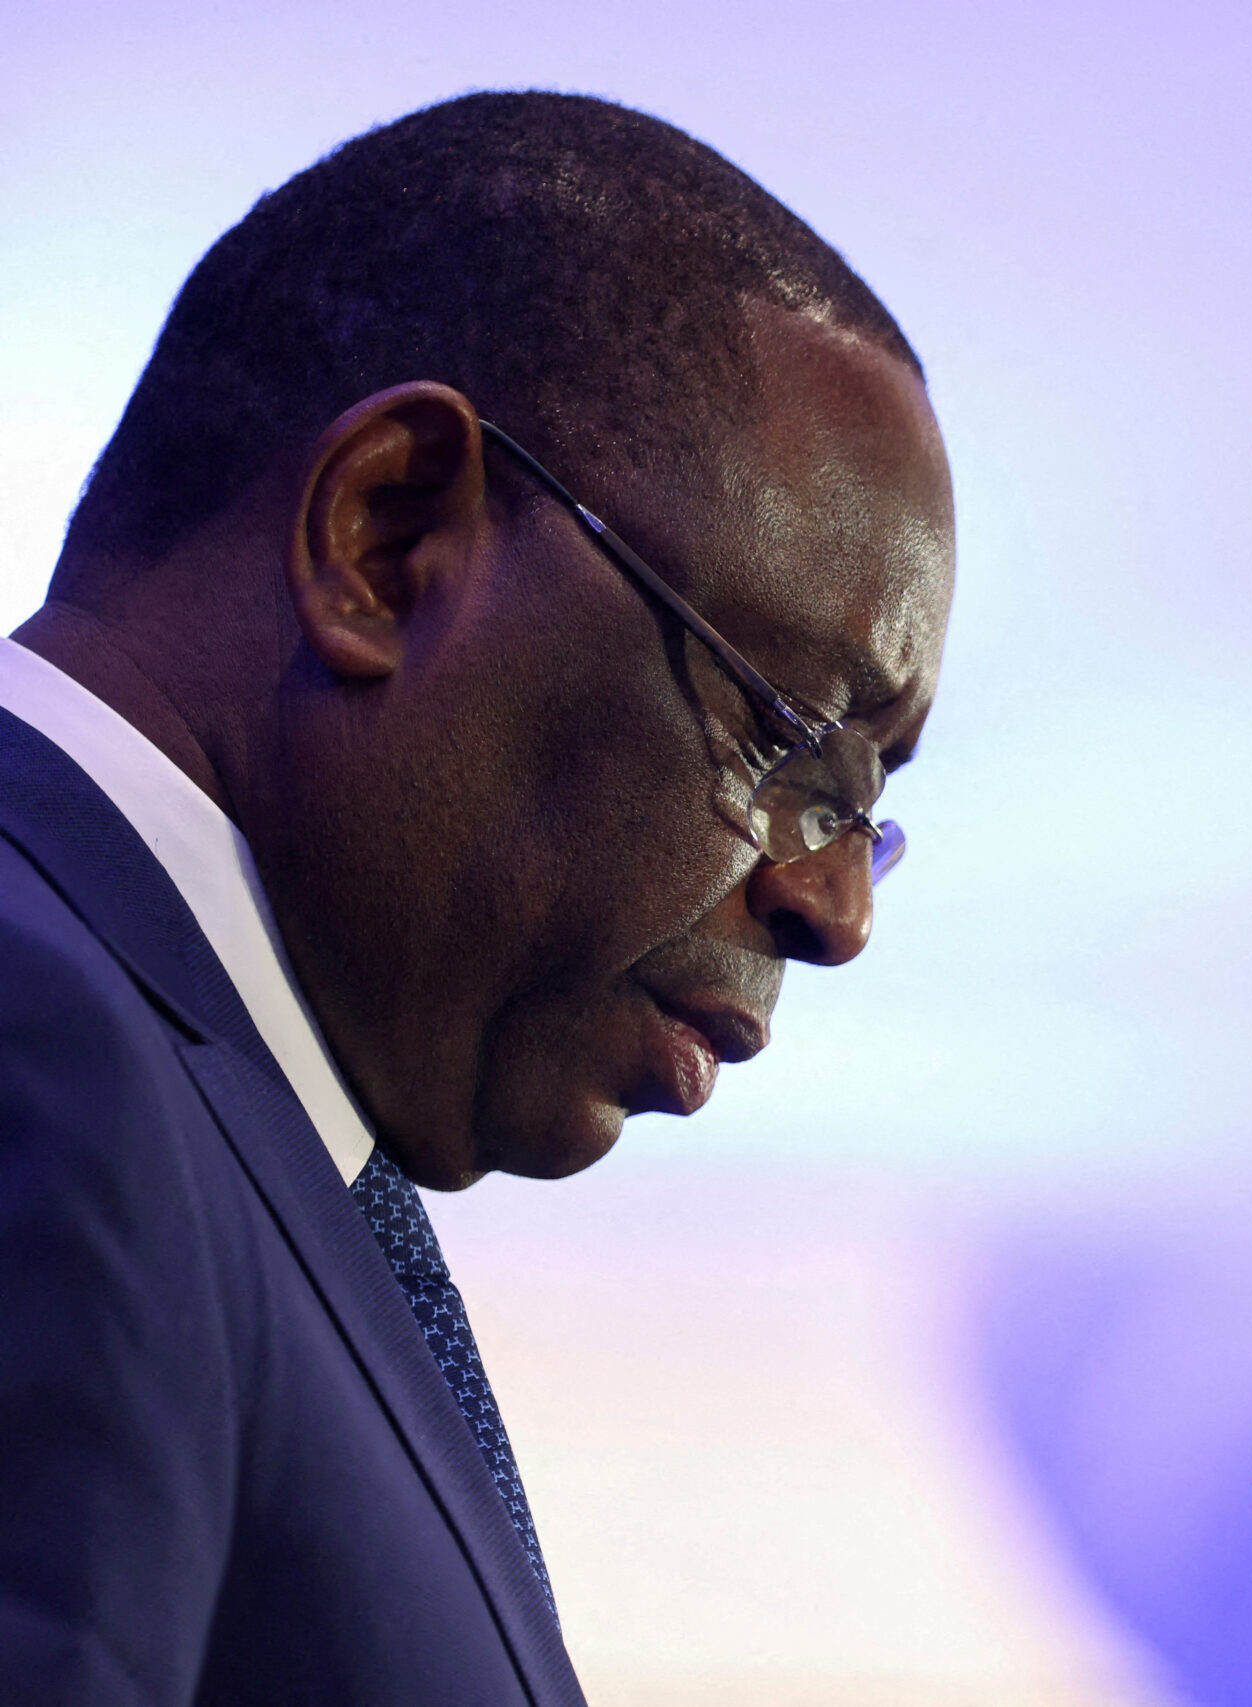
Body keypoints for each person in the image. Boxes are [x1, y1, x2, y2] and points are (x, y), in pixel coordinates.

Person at [0, 91, 953, 1704]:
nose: (834, 906)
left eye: (873, 812)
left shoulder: (220, 1134)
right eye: (795, 740)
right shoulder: (46, 1050)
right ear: (385, 539)